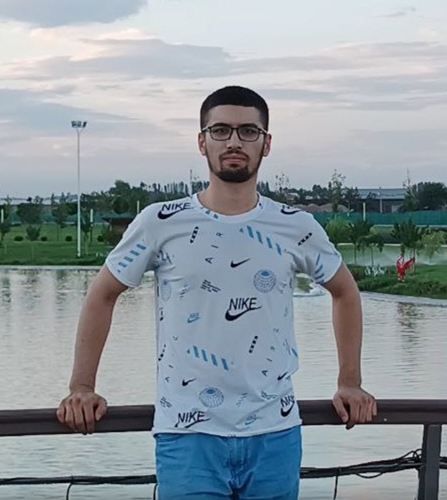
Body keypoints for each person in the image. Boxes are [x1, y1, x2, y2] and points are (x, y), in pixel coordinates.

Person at [57, 85, 377, 499]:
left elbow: (345, 292)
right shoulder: (160, 222)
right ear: (201, 141)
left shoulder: (295, 226)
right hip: (187, 436)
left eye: (248, 131)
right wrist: (82, 387)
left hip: (275, 434)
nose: (234, 142)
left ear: (266, 143)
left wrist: (350, 381)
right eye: (221, 130)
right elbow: (102, 294)